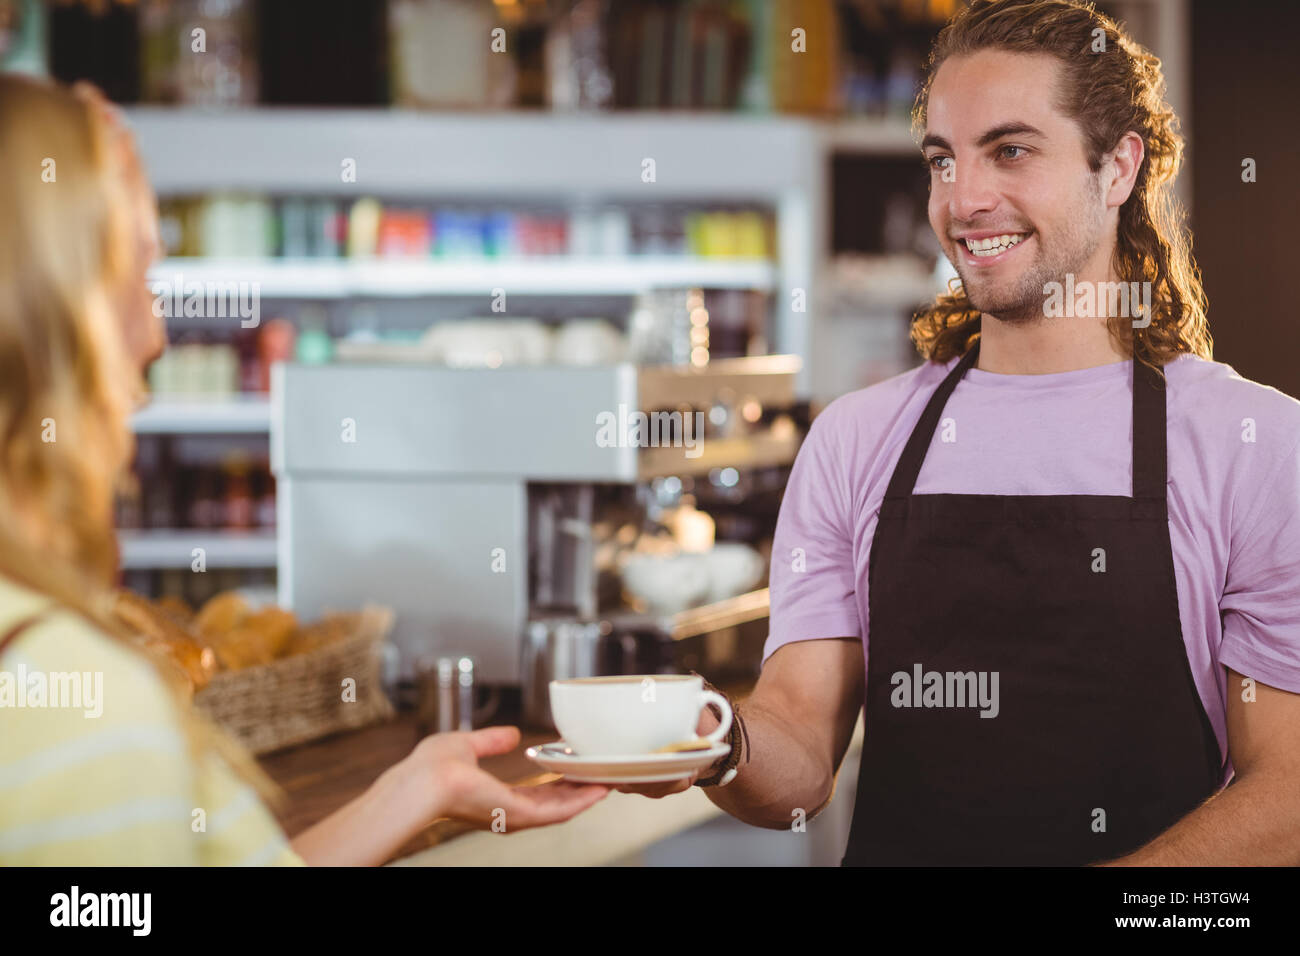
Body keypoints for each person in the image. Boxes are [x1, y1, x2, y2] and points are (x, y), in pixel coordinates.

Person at [624, 0, 1300, 866]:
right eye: (943, 160)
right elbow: (797, 746)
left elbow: (1284, 789)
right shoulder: (856, 440)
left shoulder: (1251, 443)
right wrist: (713, 741)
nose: (965, 200)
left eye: (1010, 151)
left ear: (1119, 167)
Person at [0, 73, 608, 866]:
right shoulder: (91, 707)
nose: (157, 333)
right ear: (63, 310)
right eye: (143, 269)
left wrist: (410, 793)